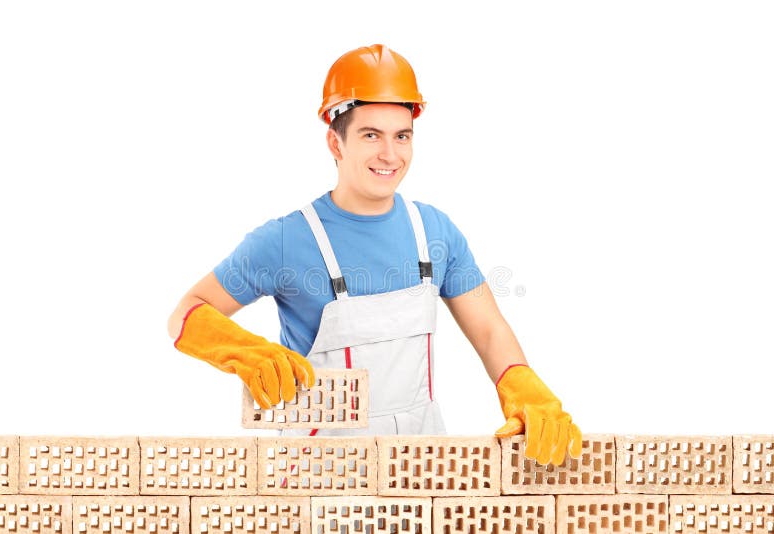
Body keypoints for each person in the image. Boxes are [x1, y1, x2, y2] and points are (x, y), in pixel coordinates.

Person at [167, 44, 581, 466]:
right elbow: (187, 313)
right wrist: (244, 350)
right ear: (335, 141)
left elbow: (490, 330)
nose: (390, 154)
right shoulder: (287, 240)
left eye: (402, 136)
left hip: (420, 474)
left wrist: (522, 384)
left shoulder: (434, 232)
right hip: (319, 482)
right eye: (371, 135)